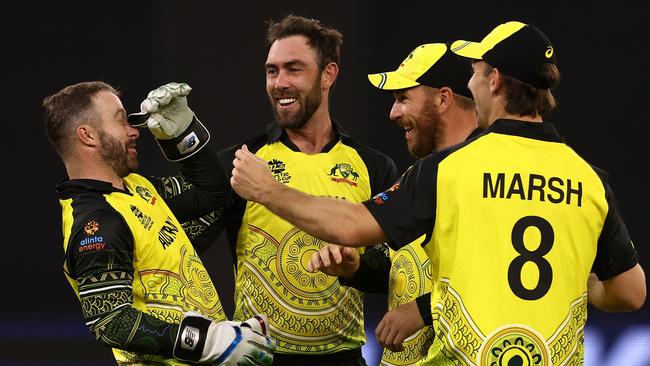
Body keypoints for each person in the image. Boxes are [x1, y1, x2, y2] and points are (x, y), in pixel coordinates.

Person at [229, 21, 646, 365]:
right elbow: (630, 292)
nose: (472, 82)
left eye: (476, 72)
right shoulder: (588, 178)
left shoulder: (452, 170)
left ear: (494, 79)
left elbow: (352, 224)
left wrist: (268, 190)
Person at [180, 15, 397, 366]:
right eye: (271, 71)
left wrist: (355, 267)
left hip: (343, 359)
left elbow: (395, 269)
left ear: (329, 75)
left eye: (293, 69)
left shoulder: (373, 166)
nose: (279, 83)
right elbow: (183, 248)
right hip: (259, 359)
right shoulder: (241, 163)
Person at [44, 81, 275, 365]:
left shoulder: (137, 187)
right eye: (121, 122)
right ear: (88, 136)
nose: (134, 131)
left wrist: (182, 133)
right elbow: (110, 321)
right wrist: (208, 341)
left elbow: (212, 193)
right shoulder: (96, 222)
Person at [308, 42, 479, 365]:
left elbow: (498, 278)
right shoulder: (426, 173)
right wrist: (356, 266)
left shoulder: (484, 175)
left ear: (443, 98)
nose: (393, 113)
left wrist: (423, 310)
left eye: (403, 99)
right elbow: (404, 265)